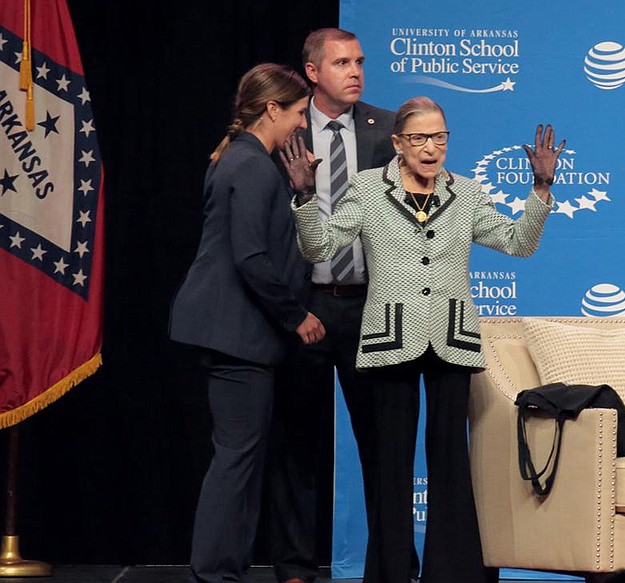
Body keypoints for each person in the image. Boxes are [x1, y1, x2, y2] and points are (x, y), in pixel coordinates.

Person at [282, 96, 565, 583]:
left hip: (451, 339)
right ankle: (390, 572)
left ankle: (452, 572)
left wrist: (541, 187)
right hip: (391, 338)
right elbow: (320, 247)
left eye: (439, 137)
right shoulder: (368, 190)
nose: (430, 148)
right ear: (397, 143)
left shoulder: (469, 193)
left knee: (450, 457)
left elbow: (519, 243)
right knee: (390, 462)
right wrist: (307, 198)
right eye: (418, 138)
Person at [168, 63, 325, 583]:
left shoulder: (238, 158)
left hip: (233, 331)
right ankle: (216, 574)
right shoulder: (251, 166)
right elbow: (251, 258)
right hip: (236, 332)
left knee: (240, 457)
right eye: (299, 113)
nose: (302, 125)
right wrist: (296, 314)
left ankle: (222, 570)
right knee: (237, 459)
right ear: (272, 109)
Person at [267, 28, 402, 583]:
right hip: (305, 307)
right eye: (342, 62)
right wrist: (289, 308)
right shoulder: (284, 132)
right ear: (313, 72)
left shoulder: (388, 129)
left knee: (381, 444)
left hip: (370, 307)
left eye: (360, 62)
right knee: (297, 442)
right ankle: (296, 567)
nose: (356, 72)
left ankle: (390, 563)